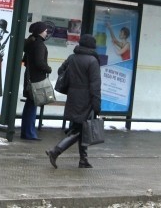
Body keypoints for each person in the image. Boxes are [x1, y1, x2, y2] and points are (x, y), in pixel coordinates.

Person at [46, 33, 102, 169]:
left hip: (73, 96)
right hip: (86, 99)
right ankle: (55, 151)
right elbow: (95, 85)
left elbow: (61, 70)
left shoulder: (72, 57)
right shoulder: (92, 61)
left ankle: (84, 160)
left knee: (83, 129)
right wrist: (97, 105)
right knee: (78, 129)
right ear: (92, 46)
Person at [20, 21, 51, 141]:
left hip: (29, 78)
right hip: (36, 80)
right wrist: (48, 68)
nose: (46, 32)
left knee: (29, 105)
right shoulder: (39, 45)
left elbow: (25, 62)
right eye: (45, 30)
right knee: (32, 106)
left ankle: (26, 131)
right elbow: (39, 63)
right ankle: (30, 133)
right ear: (40, 32)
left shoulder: (30, 43)